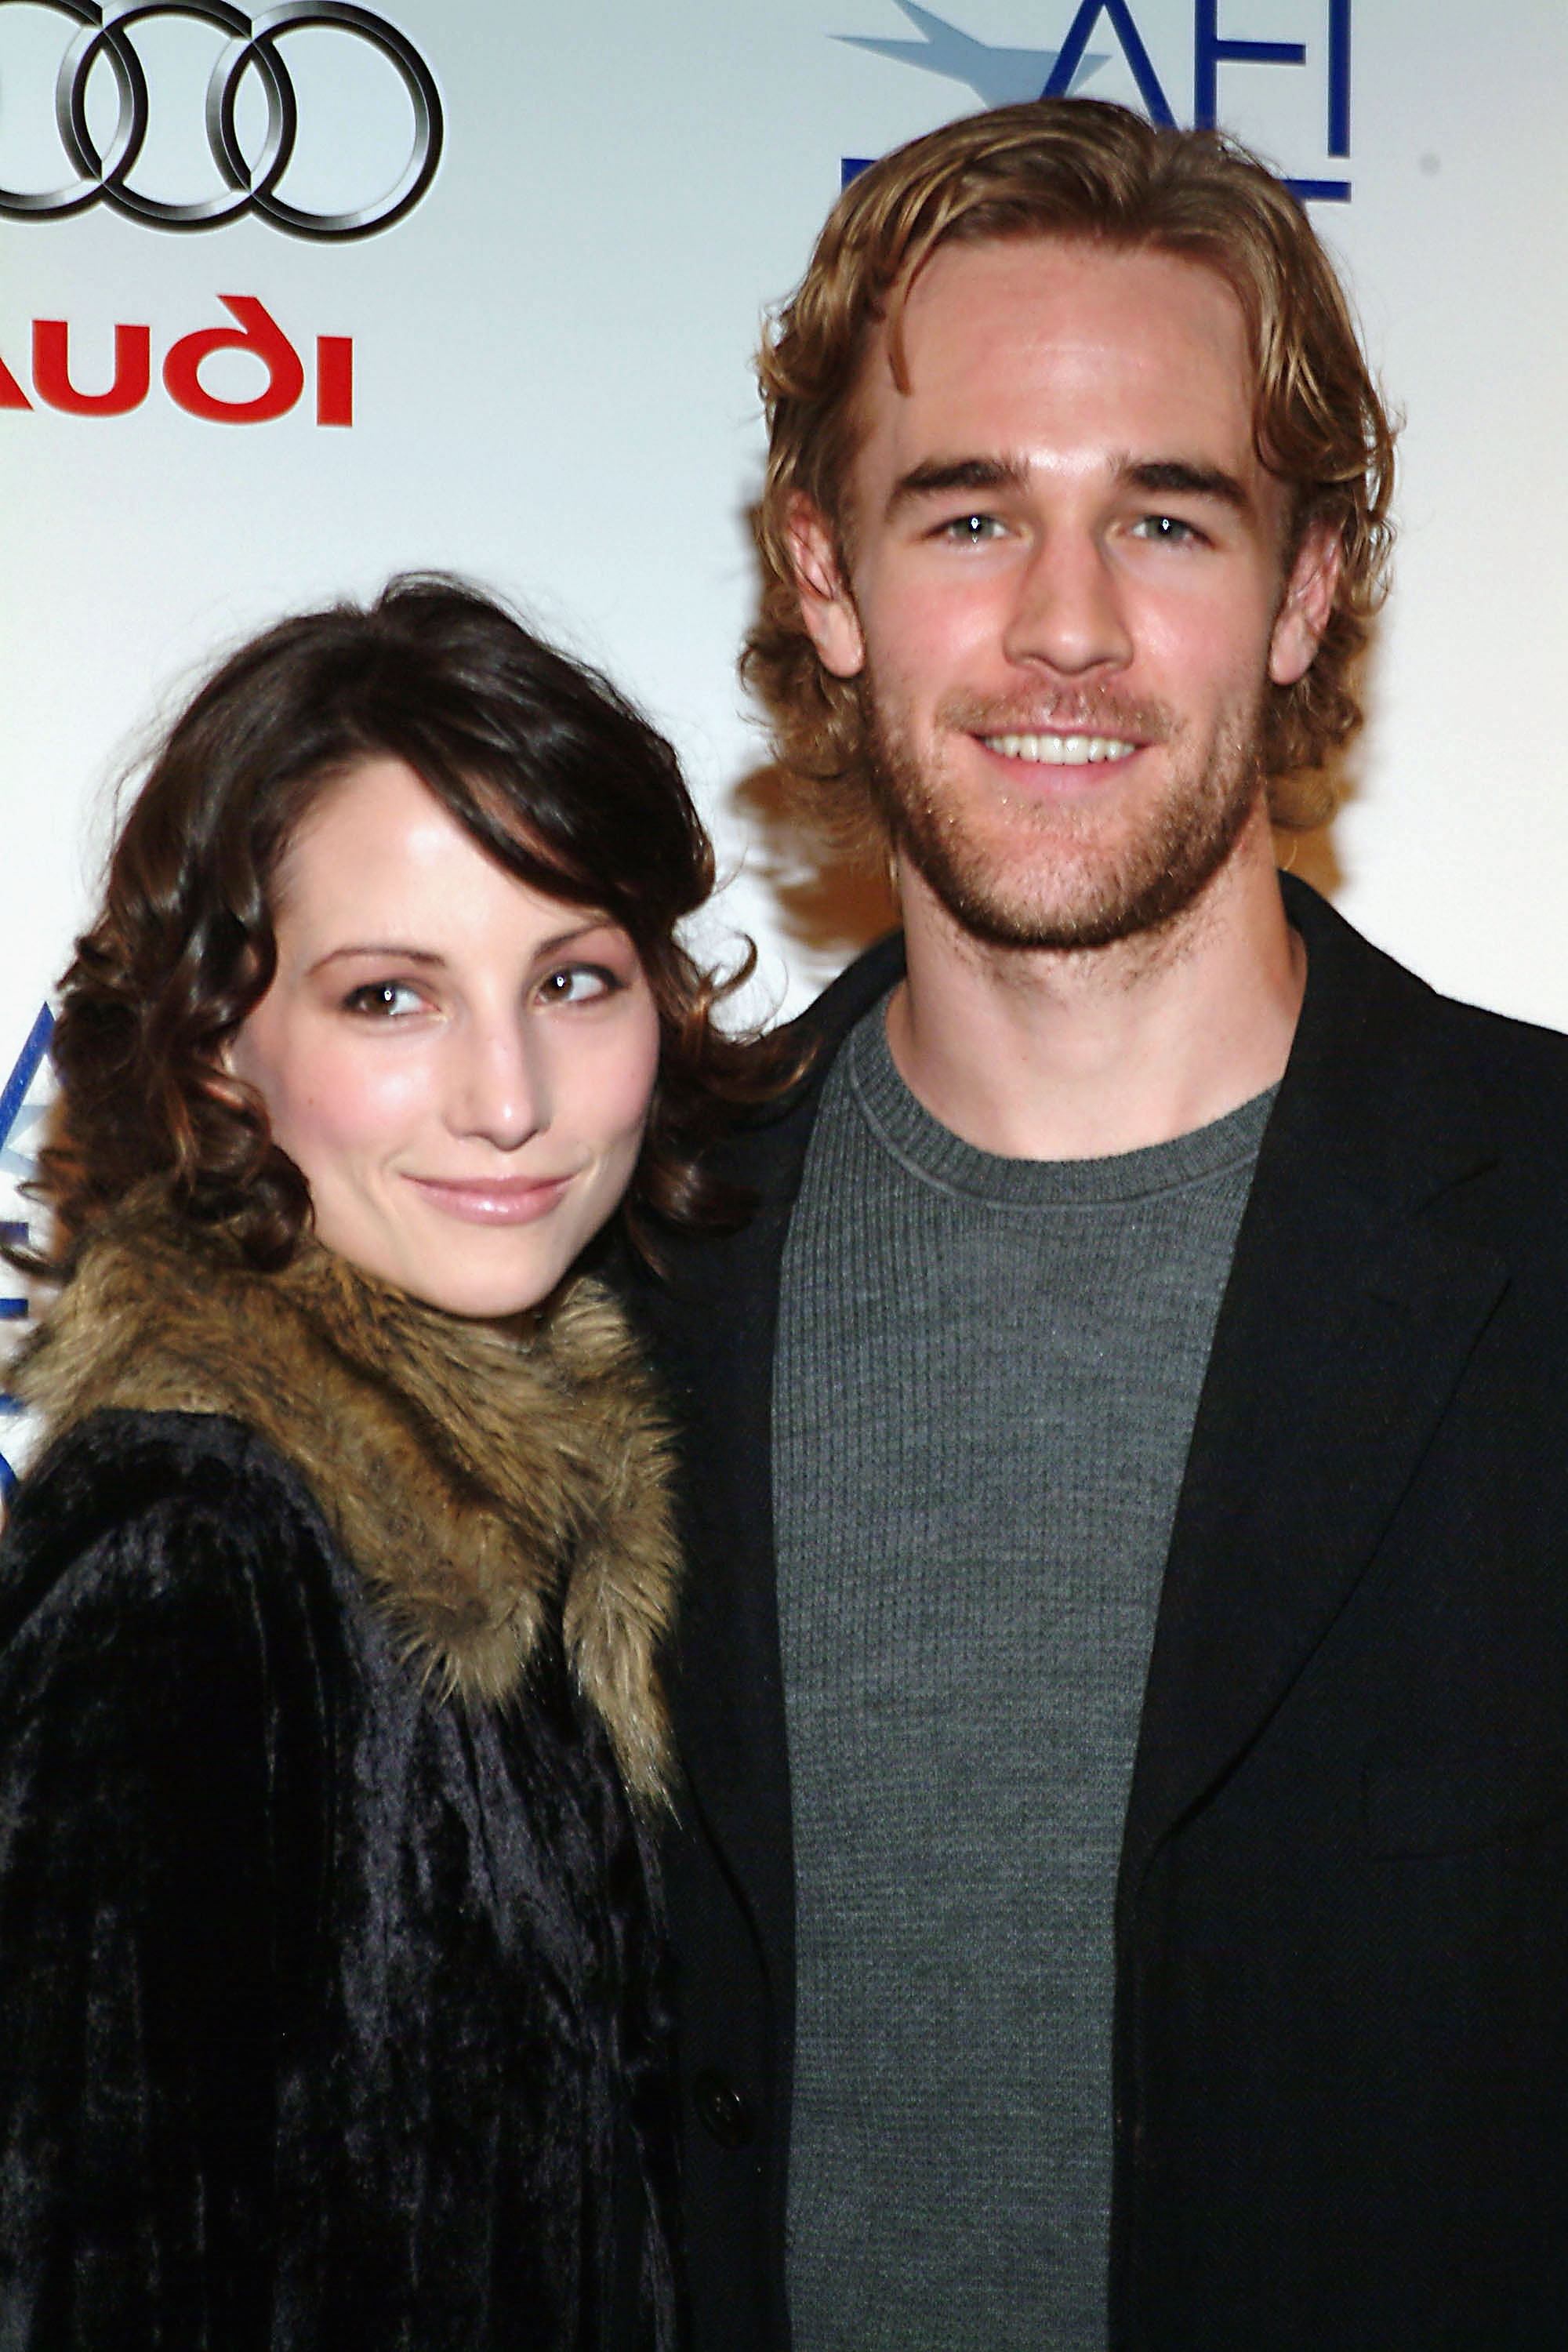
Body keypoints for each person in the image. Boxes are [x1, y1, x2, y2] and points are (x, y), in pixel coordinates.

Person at [626, 98, 1568, 2350]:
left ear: (1302, 590)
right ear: (828, 579)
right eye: (971, 515)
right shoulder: (615, 1263)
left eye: (1164, 516)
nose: (1066, 628)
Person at [0, 577, 775, 2349]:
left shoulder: (579, 1520)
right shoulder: (191, 1562)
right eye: (390, 998)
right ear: (218, 1055)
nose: (509, 1097)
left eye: (571, 980)